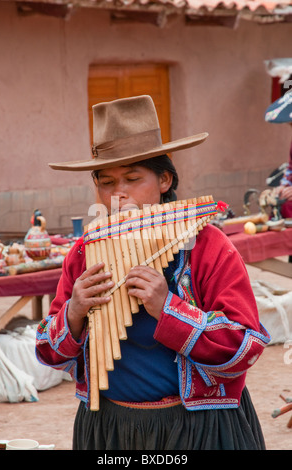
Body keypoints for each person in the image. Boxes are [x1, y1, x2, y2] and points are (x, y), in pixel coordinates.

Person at [36, 95, 270, 450]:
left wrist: (169, 309)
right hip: (109, 431)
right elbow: (47, 351)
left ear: (164, 180)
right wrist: (74, 313)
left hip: (198, 430)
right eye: (106, 182)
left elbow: (245, 347)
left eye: (132, 178)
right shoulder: (86, 252)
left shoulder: (208, 246)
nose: (119, 194)